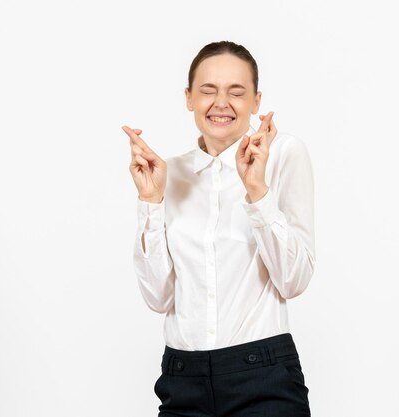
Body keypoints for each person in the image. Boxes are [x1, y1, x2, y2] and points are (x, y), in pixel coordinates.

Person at [121, 40, 316, 416]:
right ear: (189, 98)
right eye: (208, 90)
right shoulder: (169, 173)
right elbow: (158, 298)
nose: (221, 102)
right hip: (182, 378)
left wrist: (257, 190)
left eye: (236, 92)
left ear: (256, 101)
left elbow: (294, 280)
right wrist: (151, 202)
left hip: (264, 376)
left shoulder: (283, 156)